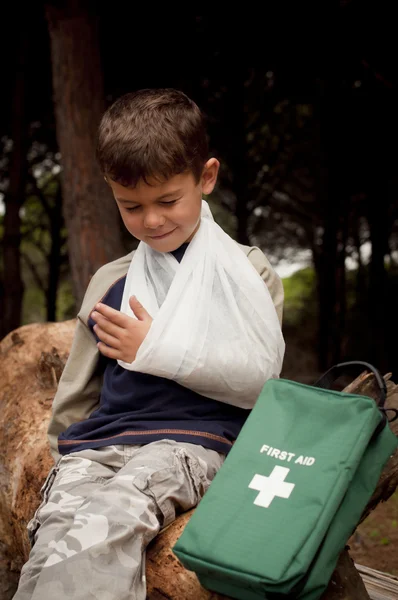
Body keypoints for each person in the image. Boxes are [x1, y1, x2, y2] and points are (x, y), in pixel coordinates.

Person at [14, 88, 285, 600]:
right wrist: (63, 458)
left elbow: (259, 381)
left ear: (206, 177)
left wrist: (158, 346)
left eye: (167, 201)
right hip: (100, 445)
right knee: (53, 537)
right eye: (131, 206)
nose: (152, 220)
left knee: (115, 515)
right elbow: (78, 389)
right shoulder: (110, 282)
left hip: (194, 443)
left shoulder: (248, 274)